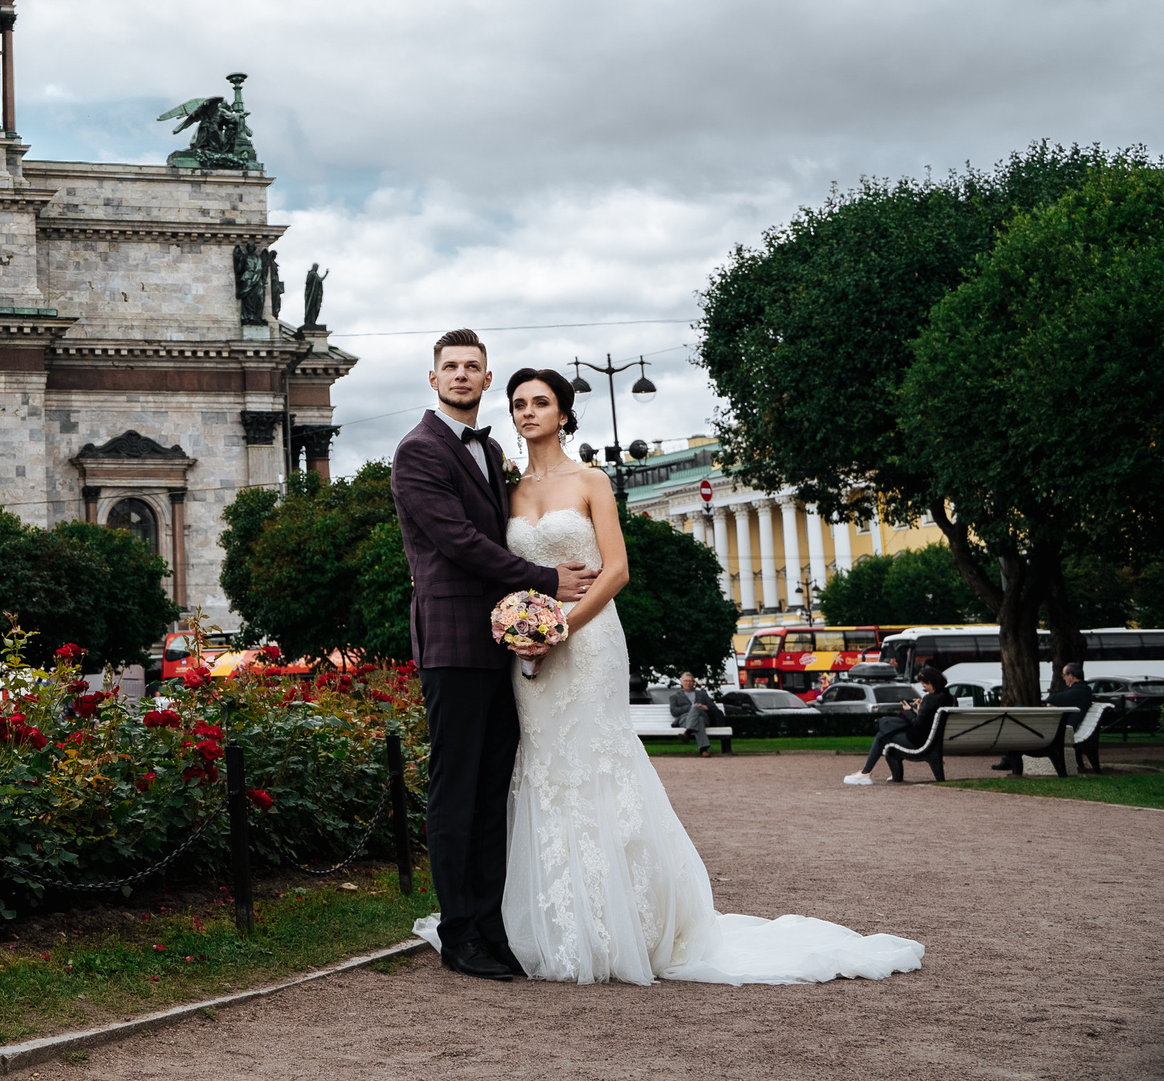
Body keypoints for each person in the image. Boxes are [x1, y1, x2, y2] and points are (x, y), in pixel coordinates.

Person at [417, 364, 922, 985]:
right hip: (530, 655)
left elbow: (617, 570)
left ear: (564, 414)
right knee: (542, 771)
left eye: (540, 402)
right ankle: (545, 923)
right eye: (519, 403)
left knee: (599, 763)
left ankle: (627, 920)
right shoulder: (507, 487)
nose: (526, 413)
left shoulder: (593, 479)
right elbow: (488, 556)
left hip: (587, 641)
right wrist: (529, 630)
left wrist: (561, 628)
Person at [391, 329, 597, 982]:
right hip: (453, 642)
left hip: (498, 644)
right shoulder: (419, 451)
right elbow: (456, 542)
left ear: (486, 380)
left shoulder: (491, 451)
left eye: (471, 367)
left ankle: (489, 927)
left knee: (490, 794)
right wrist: (544, 582)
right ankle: (459, 935)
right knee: (456, 794)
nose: (460, 375)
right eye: (449, 366)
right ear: (434, 379)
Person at [846, 667, 952, 784]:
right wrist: (919, 709)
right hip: (933, 739)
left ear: (931, 682)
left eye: (924, 685)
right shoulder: (948, 697)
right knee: (890, 742)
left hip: (918, 741)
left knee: (882, 736)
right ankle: (891, 776)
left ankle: (865, 773)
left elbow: (917, 723)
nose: (924, 688)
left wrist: (908, 711)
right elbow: (927, 719)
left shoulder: (930, 699)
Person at [668, 672, 720, 756]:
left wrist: (704, 707)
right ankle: (704, 750)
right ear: (681, 682)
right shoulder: (675, 696)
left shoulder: (702, 694)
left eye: (690, 681)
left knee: (698, 712)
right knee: (699, 719)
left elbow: (713, 707)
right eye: (686, 681)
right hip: (685, 719)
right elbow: (674, 711)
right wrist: (691, 707)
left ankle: (687, 733)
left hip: (703, 715)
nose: (688, 683)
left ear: (693, 683)